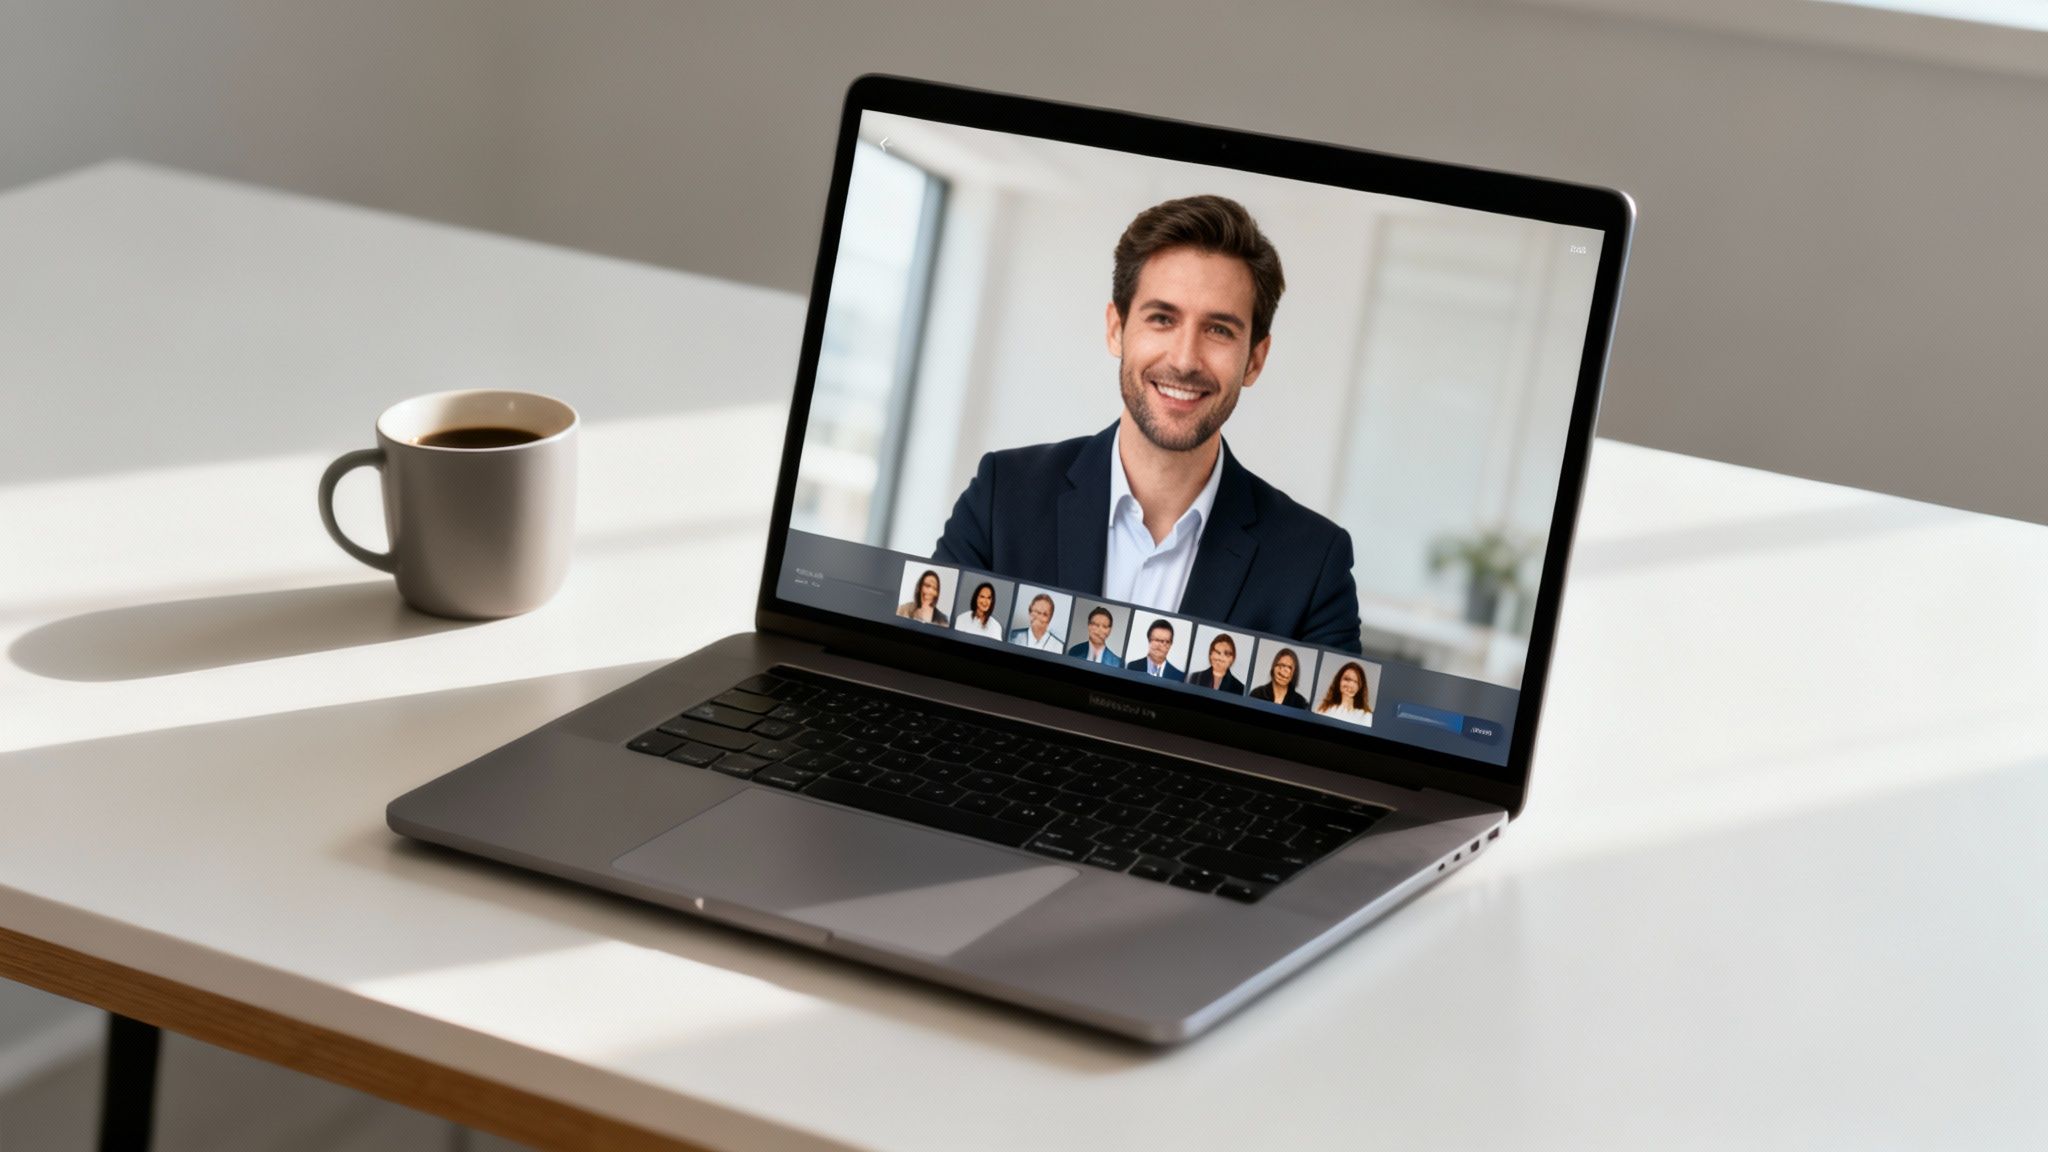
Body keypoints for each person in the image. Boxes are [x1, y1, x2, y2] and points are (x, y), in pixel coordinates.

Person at [933, 195, 1362, 652]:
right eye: (1162, 319)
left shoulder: (1314, 565)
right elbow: (925, 666)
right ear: (1116, 329)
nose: (1184, 360)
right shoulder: (1003, 496)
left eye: (1219, 329)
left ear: (1254, 360)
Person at [1315, 660, 1373, 726]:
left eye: (1356, 682)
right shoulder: (1322, 709)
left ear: (1360, 687)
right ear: (1339, 681)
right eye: (1347, 679)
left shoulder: (1367, 717)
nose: (1351, 685)